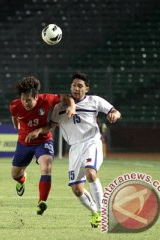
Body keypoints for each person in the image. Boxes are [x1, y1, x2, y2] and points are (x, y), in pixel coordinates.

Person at [50, 72, 121, 228]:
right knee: (76, 189)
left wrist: (115, 115)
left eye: (80, 86)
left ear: (86, 88)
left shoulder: (94, 101)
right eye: (74, 85)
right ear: (70, 87)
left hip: (92, 142)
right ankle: (94, 212)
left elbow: (115, 111)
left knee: (90, 172)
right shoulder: (59, 107)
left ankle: (103, 212)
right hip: (74, 148)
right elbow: (51, 126)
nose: (76, 88)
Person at [9, 75, 76, 215]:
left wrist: (72, 106)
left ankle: (42, 202)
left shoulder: (46, 99)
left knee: (47, 167)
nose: (25, 103)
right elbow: (14, 116)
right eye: (23, 99)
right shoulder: (15, 105)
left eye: (28, 100)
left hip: (43, 140)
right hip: (24, 143)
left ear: (36, 97)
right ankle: (22, 180)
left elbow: (67, 97)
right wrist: (18, 128)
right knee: (15, 175)